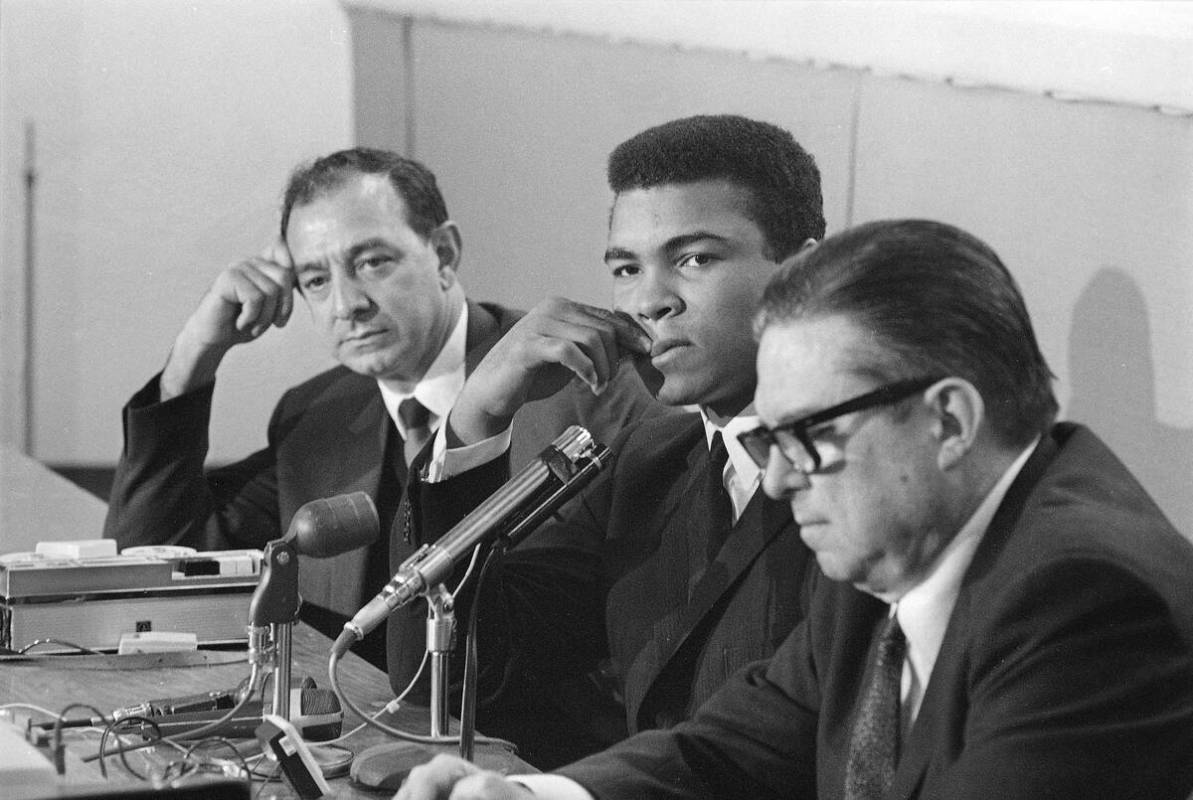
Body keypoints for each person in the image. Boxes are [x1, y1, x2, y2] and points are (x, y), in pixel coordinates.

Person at [397, 219, 1193, 800]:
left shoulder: (1085, 600)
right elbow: (726, 752)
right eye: (767, 438)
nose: (776, 480)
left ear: (947, 421)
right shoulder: (891, 545)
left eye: (807, 437)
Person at [103, 148, 660, 673]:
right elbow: (153, 566)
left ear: (443, 254)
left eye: (371, 263)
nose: (347, 305)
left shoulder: (588, 388)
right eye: (316, 280)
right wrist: (195, 354)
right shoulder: (317, 413)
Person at [400, 115, 824, 765]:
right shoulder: (646, 460)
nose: (650, 301)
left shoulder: (863, 469)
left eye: (694, 259)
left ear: (804, 269)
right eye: (626, 269)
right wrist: (478, 416)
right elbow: (480, 669)